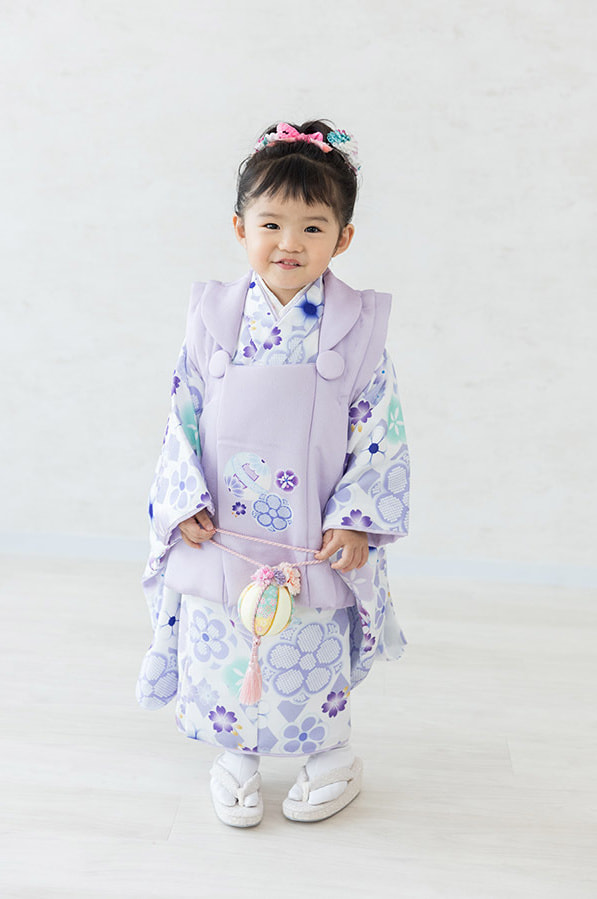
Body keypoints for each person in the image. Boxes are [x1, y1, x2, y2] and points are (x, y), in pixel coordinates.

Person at [136, 120, 410, 827]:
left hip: (309, 533)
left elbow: (378, 427)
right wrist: (183, 500)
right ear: (240, 228)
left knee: (307, 647)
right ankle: (237, 754)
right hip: (226, 527)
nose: (290, 242)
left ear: (342, 238)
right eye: (271, 224)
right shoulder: (213, 319)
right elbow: (182, 413)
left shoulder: (356, 330)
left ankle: (331, 756)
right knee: (227, 641)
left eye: (313, 227)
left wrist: (355, 518)